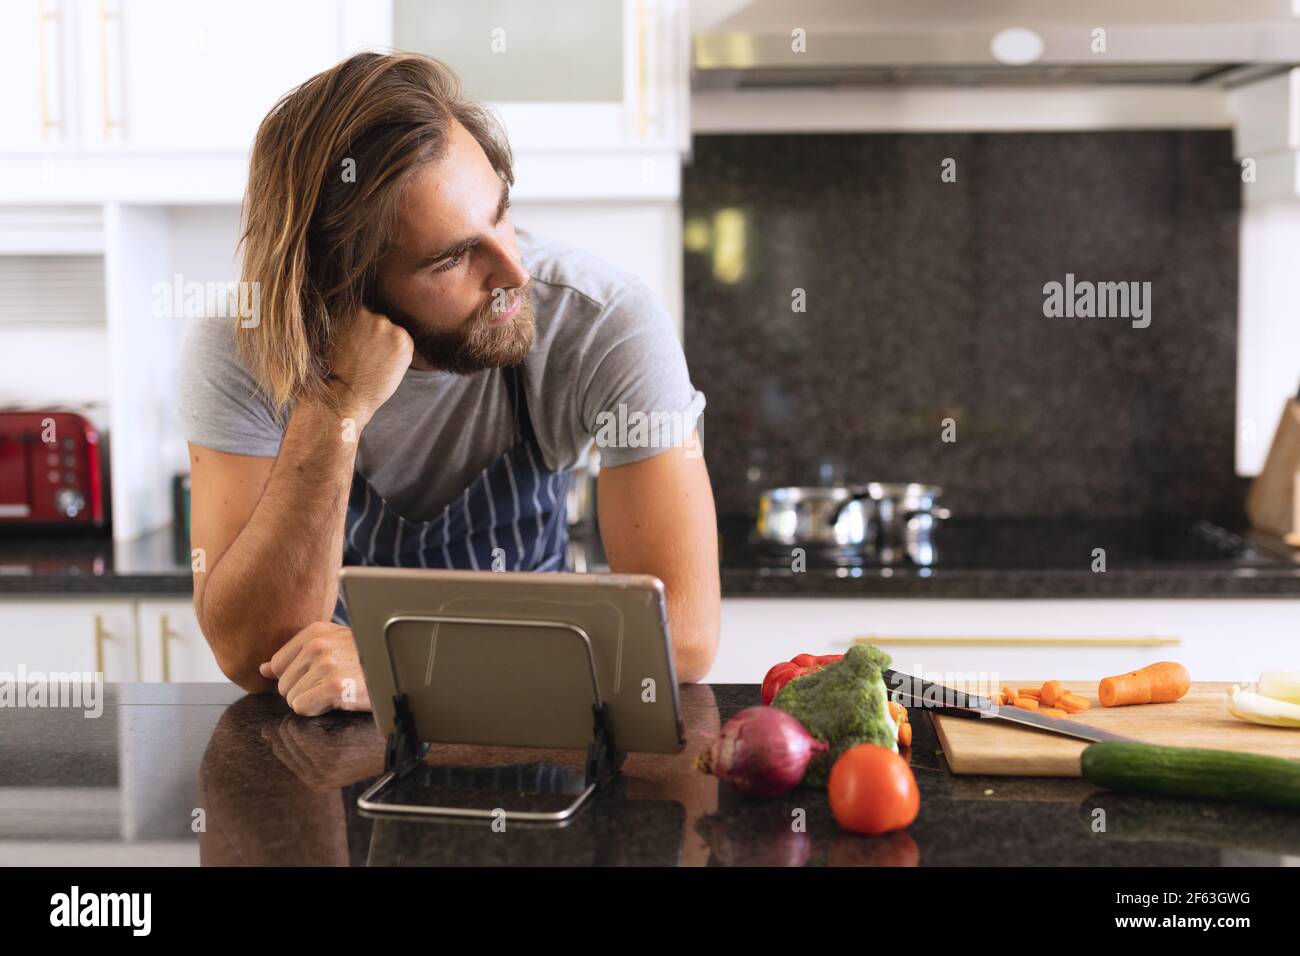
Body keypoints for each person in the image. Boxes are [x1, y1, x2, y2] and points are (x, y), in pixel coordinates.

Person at [179, 53, 720, 715]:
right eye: (455, 256)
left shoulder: (602, 321)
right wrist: (338, 407)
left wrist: (406, 665)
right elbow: (255, 655)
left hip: (543, 724)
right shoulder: (241, 347)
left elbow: (684, 636)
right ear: (343, 285)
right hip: (333, 746)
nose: (514, 272)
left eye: (501, 214)